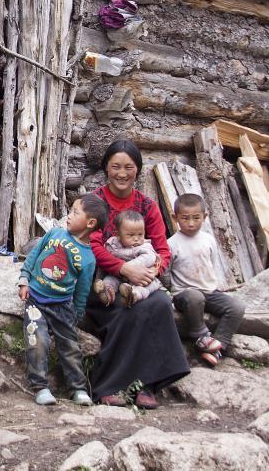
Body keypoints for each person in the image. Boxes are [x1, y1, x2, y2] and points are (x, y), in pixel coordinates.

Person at [86, 138, 190, 409]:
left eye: (129, 167)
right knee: (125, 309)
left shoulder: (147, 206)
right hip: (102, 284)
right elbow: (91, 246)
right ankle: (108, 385)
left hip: (140, 282)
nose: (122, 173)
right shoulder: (94, 203)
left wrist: (148, 272)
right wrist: (123, 268)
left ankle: (148, 385)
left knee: (158, 304)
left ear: (138, 170)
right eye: (116, 166)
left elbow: (162, 250)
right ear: (106, 168)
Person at [17, 194, 107, 407]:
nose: (68, 216)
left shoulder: (88, 258)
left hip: (62, 307)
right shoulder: (55, 233)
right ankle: (40, 386)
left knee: (70, 347)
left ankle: (78, 388)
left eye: (75, 213)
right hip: (36, 300)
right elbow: (34, 255)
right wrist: (24, 280)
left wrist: (75, 315)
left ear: (90, 223)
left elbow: (82, 291)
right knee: (36, 340)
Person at [169, 193, 247, 367]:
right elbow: (166, 273)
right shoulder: (172, 243)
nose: (191, 223)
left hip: (209, 291)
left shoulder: (209, 240)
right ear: (175, 218)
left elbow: (213, 265)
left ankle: (219, 345)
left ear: (205, 217)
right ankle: (201, 336)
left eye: (196, 218)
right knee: (196, 297)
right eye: (185, 218)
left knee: (237, 307)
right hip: (185, 293)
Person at [94, 210, 164, 307]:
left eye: (140, 234)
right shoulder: (112, 244)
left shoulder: (145, 246)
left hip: (141, 277)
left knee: (145, 287)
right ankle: (106, 293)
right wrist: (101, 276)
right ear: (118, 234)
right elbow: (103, 258)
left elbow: (149, 258)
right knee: (110, 280)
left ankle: (132, 296)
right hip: (118, 275)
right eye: (130, 235)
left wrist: (129, 268)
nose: (136, 238)